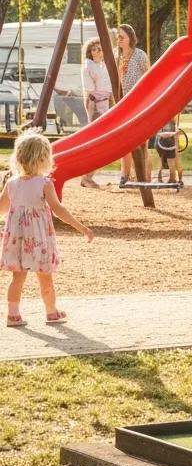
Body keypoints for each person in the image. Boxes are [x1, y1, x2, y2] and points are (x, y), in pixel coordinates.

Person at [3, 130, 93, 327]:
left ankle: (13, 315)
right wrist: (81, 227)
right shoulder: (44, 184)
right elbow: (59, 210)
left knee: (17, 278)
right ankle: (51, 312)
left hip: (17, 240)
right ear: (44, 158)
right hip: (39, 240)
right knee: (45, 278)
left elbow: (1, 208)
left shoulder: (12, 183)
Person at [116, 24, 150, 185]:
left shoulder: (140, 55)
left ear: (130, 38)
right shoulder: (118, 56)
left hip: (140, 102)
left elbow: (149, 76)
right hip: (125, 104)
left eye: (122, 37)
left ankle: (144, 176)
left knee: (142, 142)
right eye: (118, 37)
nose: (119, 40)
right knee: (125, 142)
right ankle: (125, 175)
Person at [79, 37, 112, 188]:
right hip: (98, 105)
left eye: (99, 49)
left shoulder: (103, 65)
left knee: (105, 143)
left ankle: (88, 175)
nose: (97, 52)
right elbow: (91, 89)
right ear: (89, 52)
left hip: (106, 103)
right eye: (94, 49)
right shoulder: (89, 66)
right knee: (99, 142)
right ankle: (87, 176)